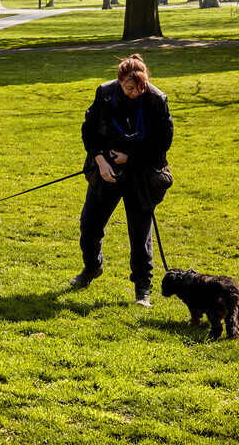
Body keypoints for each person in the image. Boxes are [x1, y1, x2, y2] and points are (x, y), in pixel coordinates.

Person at [70, 53, 174, 307]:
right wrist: (100, 160)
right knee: (89, 227)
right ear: (119, 81)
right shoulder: (105, 94)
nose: (135, 92)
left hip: (141, 175)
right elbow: (89, 131)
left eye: (140, 87)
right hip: (106, 172)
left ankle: (142, 290)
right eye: (129, 87)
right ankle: (92, 267)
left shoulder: (157, 100)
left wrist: (130, 157)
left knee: (140, 234)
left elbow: (163, 143)